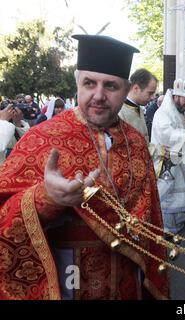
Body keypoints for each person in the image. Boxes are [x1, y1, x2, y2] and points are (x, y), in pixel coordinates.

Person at [0, 34, 169, 300]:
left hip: (126, 277)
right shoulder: (41, 138)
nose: (98, 95)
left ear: (126, 90)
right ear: (77, 83)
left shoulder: (135, 141)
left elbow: (151, 216)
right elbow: (3, 210)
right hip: (69, 279)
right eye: (90, 83)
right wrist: (46, 198)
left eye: (110, 86)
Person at [151, 78, 185, 234]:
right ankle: (169, 226)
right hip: (168, 162)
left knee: (183, 188)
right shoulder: (163, 113)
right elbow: (166, 134)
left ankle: (183, 217)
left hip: (182, 160)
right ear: (176, 96)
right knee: (171, 194)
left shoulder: (181, 111)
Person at [119, 68, 158, 145]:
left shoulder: (139, 109)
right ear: (136, 88)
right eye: (150, 93)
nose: (153, 97)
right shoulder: (120, 112)